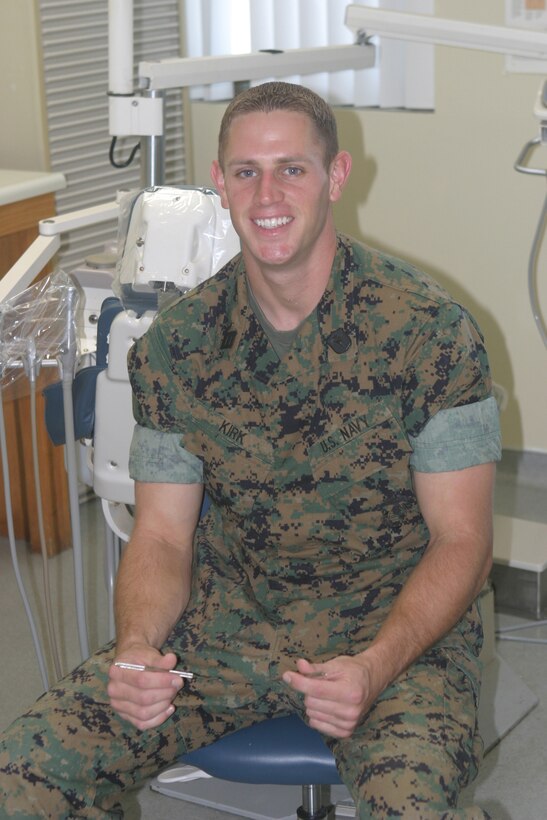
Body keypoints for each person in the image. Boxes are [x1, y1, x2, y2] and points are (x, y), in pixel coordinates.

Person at [0, 81, 500, 819]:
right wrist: (136, 647)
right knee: (25, 774)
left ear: (335, 176)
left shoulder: (427, 332)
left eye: (292, 169)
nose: (268, 195)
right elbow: (162, 535)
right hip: (229, 627)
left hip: (396, 634)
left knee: (413, 807)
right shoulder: (178, 345)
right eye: (246, 172)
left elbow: (462, 542)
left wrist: (373, 666)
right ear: (220, 182)